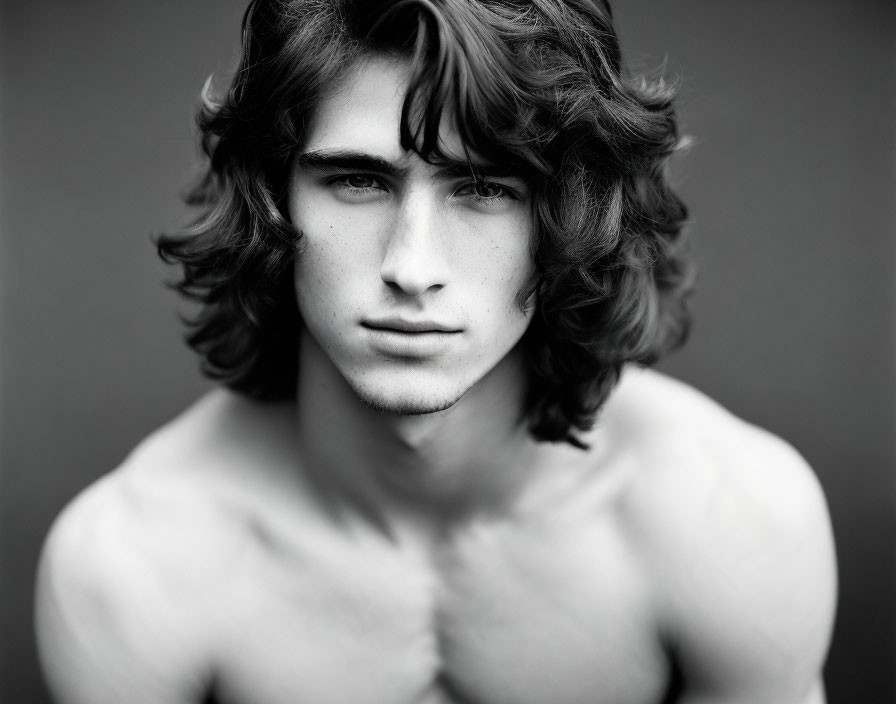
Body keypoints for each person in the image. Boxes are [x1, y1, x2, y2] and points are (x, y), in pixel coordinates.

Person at [35, 1, 837, 702]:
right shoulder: (130, 567)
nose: (411, 268)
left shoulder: (731, 521)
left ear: (572, 213)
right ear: (270, 200)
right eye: (357, 181)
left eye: (485, 188)